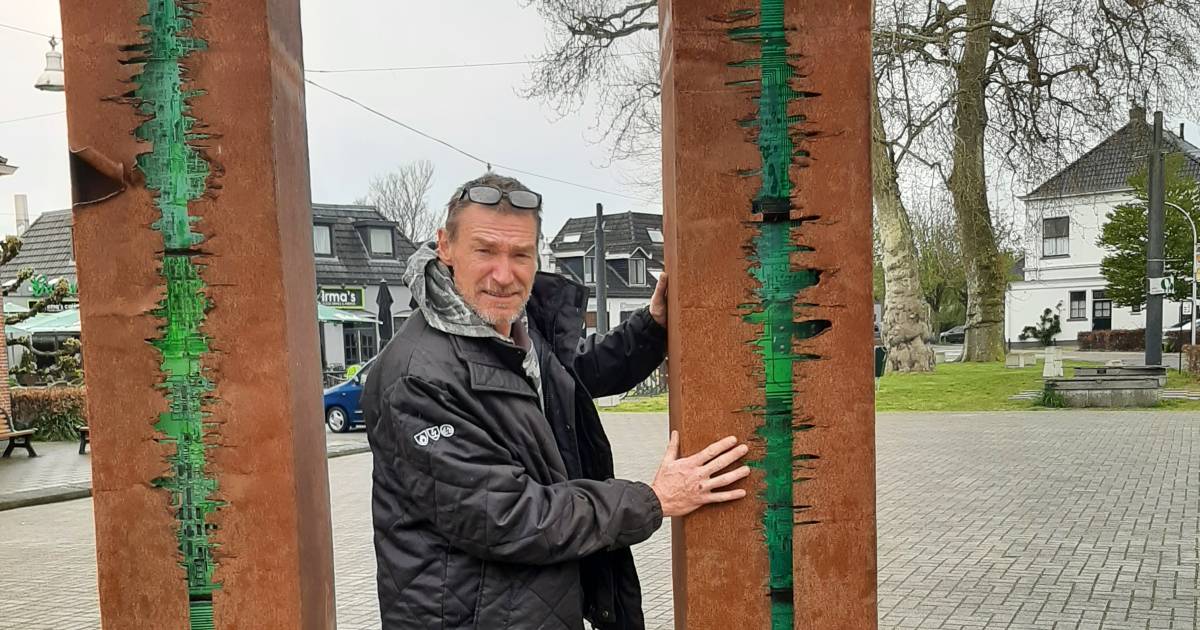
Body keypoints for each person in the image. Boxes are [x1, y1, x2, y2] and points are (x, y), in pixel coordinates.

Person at [363, 173, 750, 629]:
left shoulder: (514, 333)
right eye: (485, 251)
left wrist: (653, 326)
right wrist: (652, 499)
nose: (504, 275)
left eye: (520, 254)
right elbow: (510, 516)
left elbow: (578, 371)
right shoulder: (418, 378)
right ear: (445, 247)